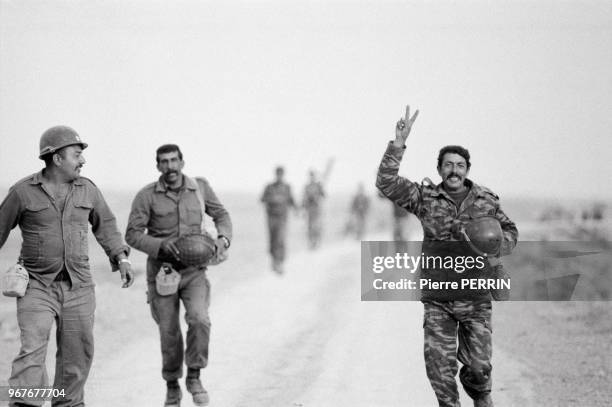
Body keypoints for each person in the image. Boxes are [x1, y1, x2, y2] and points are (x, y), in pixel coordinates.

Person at [376, 106, 518, 407]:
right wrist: (398, 143)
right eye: (448, 165)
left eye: (460, 165)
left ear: (468, 169)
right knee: (439, 370)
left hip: (476, 297)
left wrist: (497, 246)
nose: (454, 170)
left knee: (479, 369)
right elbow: (386, 183)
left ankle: (480, 393)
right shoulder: (424, 198)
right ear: (439, 169)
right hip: (438, 297)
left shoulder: (486, 200)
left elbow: (510, 231)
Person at [0, 125, 134, 407]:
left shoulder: (88, 190)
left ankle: (68, 404)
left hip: (80, 287)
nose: (82, 160)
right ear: (56, 158)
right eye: (76, 154)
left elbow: (106, 226)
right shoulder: (22, 192)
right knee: (31, 353)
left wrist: (120, 257)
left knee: (77, 355)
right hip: (36, 285)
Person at [125, 144, 232, 407]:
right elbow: (132, 234)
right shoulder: (146, 196)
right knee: (169, 331)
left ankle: (194, 376)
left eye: (174, 160)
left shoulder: (200, 188)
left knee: (200, 320)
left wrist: (223, 238)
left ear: (182, 162)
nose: (170, 166)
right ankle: (172, 385)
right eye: (164, 162)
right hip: (163, 273)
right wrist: (159, 246)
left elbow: (221, 214)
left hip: (195, 272)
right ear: (158, 166)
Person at [260, 166, 296, 274]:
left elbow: (292, 201)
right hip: (271, 218)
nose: (279, 176)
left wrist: (298, 210)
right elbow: (262, 199)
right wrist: (273, 199)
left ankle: (280, 263)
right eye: (278, 173)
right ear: (275, 174)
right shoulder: (269, 187)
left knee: (281, 239)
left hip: (282, 218)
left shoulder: (287, 187)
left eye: (281, 174)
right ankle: (273, 261)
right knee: (272, 240)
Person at [302, 170, 326, 249]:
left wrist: (320, 188)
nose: (312, 177)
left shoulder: (318, 186)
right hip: (310, 210)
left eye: (313, 176)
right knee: (310, 227)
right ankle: (311, 243)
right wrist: (304, 208)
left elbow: (323, 195)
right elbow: (304, 199)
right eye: (310, 176)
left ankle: (317, 242)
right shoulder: (307, 187)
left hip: (317, 209)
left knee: (316, 226)